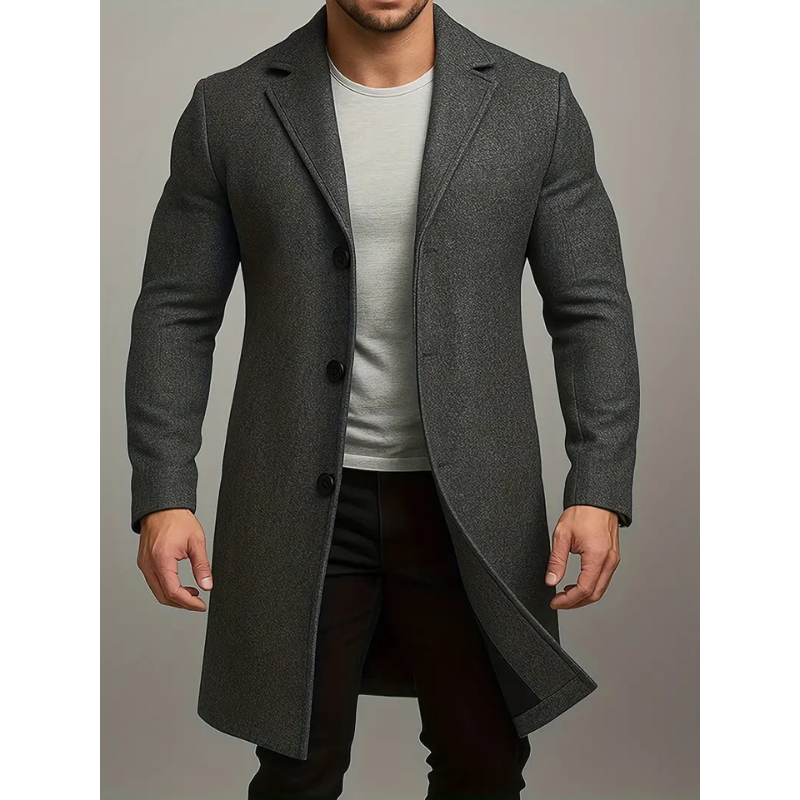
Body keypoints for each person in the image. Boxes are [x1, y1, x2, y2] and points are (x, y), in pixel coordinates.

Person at [125, 1, 640, 798]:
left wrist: (598, 487)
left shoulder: (535, 103)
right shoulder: (229, 108)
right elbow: (176, 311)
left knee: (484, 769)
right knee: (297, 773)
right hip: (298, 503)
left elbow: (591, 308)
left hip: (472, 509)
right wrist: (164, 494)